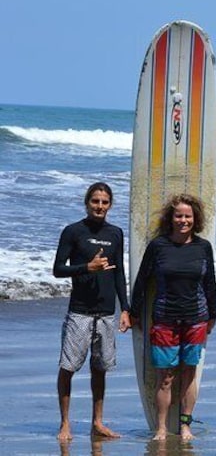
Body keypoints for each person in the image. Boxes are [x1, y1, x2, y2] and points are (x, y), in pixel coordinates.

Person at [130, 194, 216, 441]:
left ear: (195, 218)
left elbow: (210, 282)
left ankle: (185, 426)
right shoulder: (158, 246)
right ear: (171, 218)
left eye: (187, 216)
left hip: (196, 318)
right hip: (165, 319)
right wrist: (133, 312)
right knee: (165, 377)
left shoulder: (203, 247)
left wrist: (213, 314)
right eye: (178, 215)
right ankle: (160, 428)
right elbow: (142, 281)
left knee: (189, 374)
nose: (183, 220)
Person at [53, 182, 131, 442]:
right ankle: (65, 423)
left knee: (100, 368)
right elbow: (58, 269)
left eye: (105, 202)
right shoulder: (73, 232)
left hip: (107, 312)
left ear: (110, 204)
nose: (100, 206)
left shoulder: (116, 233)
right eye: (95, 201)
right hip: (80, 311)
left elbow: (119, 272)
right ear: (87, 203)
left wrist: (125, 309)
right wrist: (87, 267)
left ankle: (97, 422)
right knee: (68, 367)